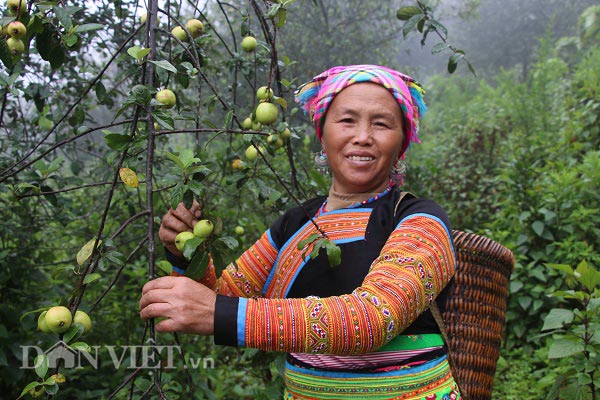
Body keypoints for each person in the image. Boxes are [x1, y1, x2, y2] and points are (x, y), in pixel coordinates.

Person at [139, 64, 460, 399]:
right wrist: (184, 250)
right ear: (323, 132)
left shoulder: (420, 219)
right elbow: (224, 295)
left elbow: (375, 317)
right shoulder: (295, 223)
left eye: (381, 124)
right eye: (347, 120)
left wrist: (220, 315)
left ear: (402, 141)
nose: (363, 136)